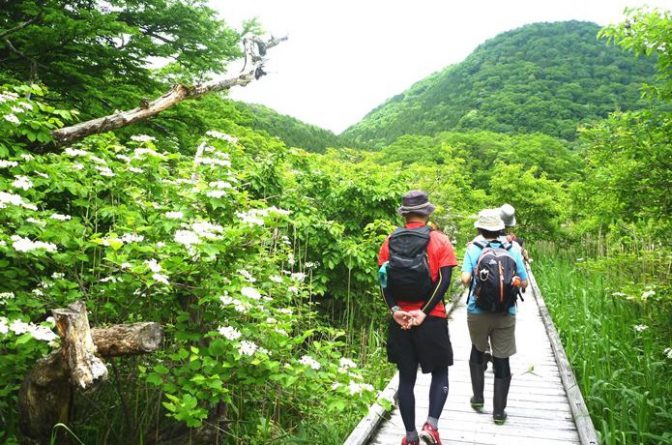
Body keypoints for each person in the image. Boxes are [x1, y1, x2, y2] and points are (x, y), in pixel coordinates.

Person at [378, 190, 457, 445]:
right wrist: (423, 312)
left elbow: (383, 281)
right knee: (440, 373)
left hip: (401, 320)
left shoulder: (388, 242)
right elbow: (444, 281)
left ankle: (410, 436)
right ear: (426, 212)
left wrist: (395, 310)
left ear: (404, 214)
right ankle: (431, 426)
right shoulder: (440, 241)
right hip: (431, 317)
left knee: (406, 378)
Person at [461, 209, 528, 425]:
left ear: (480, 228)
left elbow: (464, 280)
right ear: (500, 228)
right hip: (505, 312)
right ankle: (499, 412)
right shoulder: (513, 248)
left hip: (477, 310)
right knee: (502, 358)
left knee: (477, 349)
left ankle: (478, 398)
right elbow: (524, 283)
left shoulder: (473, 248)